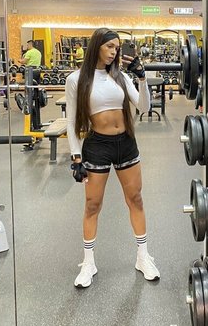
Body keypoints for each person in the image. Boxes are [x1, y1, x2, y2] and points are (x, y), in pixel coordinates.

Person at [65, 28, 160, 288]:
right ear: (96, 46)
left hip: (125, 143)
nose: (114, 52)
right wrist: (76, 157)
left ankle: (143, 256)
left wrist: (142, 78)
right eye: (109, 46)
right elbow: (71, 121)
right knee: (92, 204)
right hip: (97, 145)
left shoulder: (119, 76)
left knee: (135, 199)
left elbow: (144, 107)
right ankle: (88, 262)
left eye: (116, 48)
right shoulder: (76, 79)